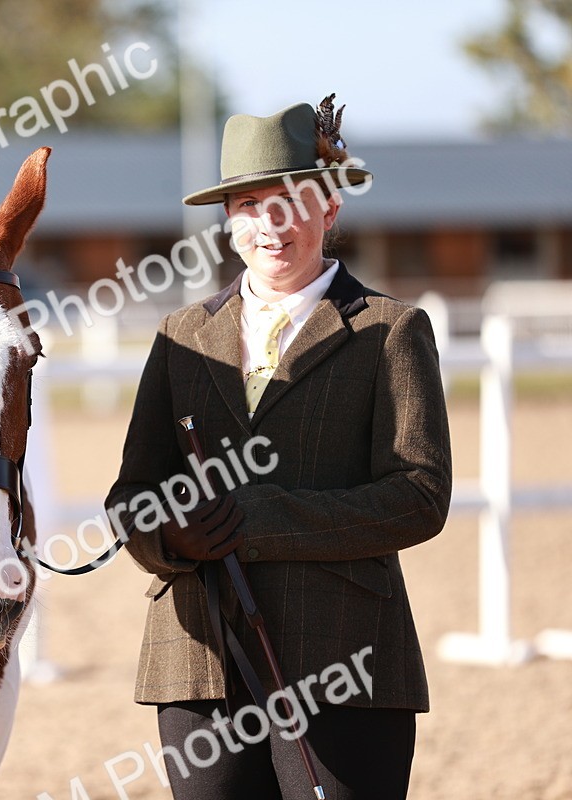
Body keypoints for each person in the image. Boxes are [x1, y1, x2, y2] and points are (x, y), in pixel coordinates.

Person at [105, 96, 452, 799]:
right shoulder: (180, 336)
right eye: (252, 204)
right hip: (199, 656)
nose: (273, 223)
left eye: (293, 200)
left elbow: (419, 496)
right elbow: (130, 498)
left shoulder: (390, 331)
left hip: (346, 653)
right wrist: (169, 534)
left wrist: (261, 517)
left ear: (330, 208)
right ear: (229, 220)